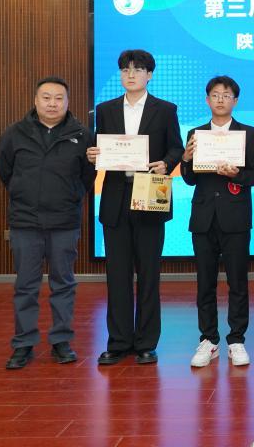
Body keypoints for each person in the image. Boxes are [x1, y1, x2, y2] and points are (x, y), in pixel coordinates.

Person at [87, 50, 183, 366]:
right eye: (125, 70)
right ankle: (118, 342)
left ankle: (146, 343)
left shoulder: (165, 109)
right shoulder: (106, 110)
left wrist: (166, 163)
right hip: (115, 196)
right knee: (117, 275)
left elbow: (176, 147)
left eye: (138, 69)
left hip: (150, 192)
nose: (131, 75)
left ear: (149, 75)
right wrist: (93, 154)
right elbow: (99, 148)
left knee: (149, 273)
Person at [0, 76, 94, 370]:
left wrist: (72, 196)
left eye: (59, 98)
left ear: (68, 102)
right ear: (36, 100)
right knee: (25, 285)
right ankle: (23, 343)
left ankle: (61, 341)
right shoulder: (15, 134)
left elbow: (87, 177)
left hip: (64, 221)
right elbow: (5, 172)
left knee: (63, 282)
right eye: (46, 98)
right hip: (25, 221)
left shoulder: (83, 135)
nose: (53, 104)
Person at [180, 76, 254, 368]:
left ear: (235, 101)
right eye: (215, 95)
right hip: (203, 217)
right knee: (205, 282)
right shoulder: (196, 133)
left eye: (226, 95)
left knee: (238, 281)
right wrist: (186, 158)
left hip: (236, 217)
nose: (220, 99)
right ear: (207, 100)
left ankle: (237, 339)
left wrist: (235, 175)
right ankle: (209, 339)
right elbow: (190, 179)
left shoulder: (248, 134)